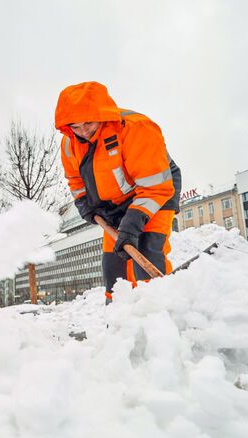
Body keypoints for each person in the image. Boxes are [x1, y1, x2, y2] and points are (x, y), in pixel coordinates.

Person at [54, 81, 181, 302]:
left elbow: (155, 187)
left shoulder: (135, 128)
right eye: (75, 126)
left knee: (146, 248)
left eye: (88, 123)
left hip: (155, 192)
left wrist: (132, 224)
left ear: (102, 115)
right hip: (115, 203)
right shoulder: (69, 144)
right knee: (113, 263)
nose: (83, 131)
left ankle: (158, 310)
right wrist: (84, 203)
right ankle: (117, 318)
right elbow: (75, 180)